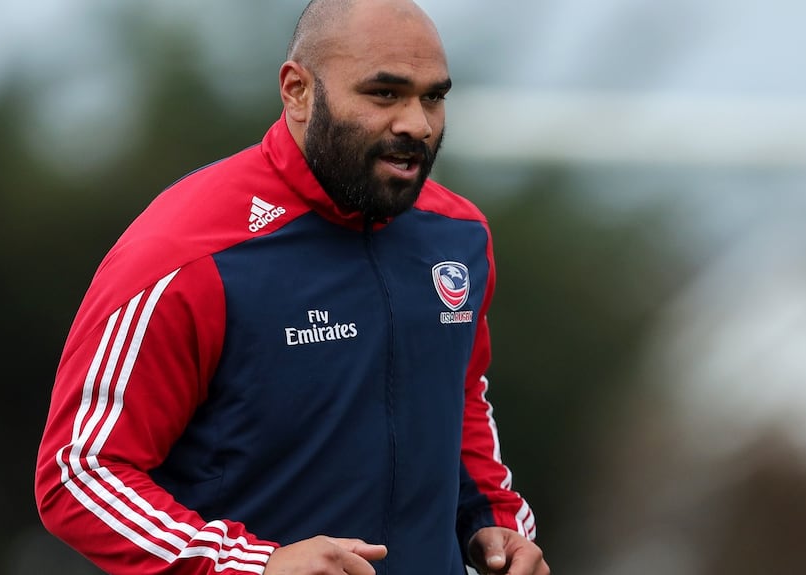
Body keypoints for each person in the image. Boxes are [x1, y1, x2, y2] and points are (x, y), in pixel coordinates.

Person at [35, 0, 549, 573]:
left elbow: (458, 397)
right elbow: (80, 472)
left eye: (433, 96)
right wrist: (254, 565)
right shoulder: (189, 251)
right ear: (297, 91)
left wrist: (495, 521)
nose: (417, 124)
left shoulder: (458, 237)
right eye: (384, 94)